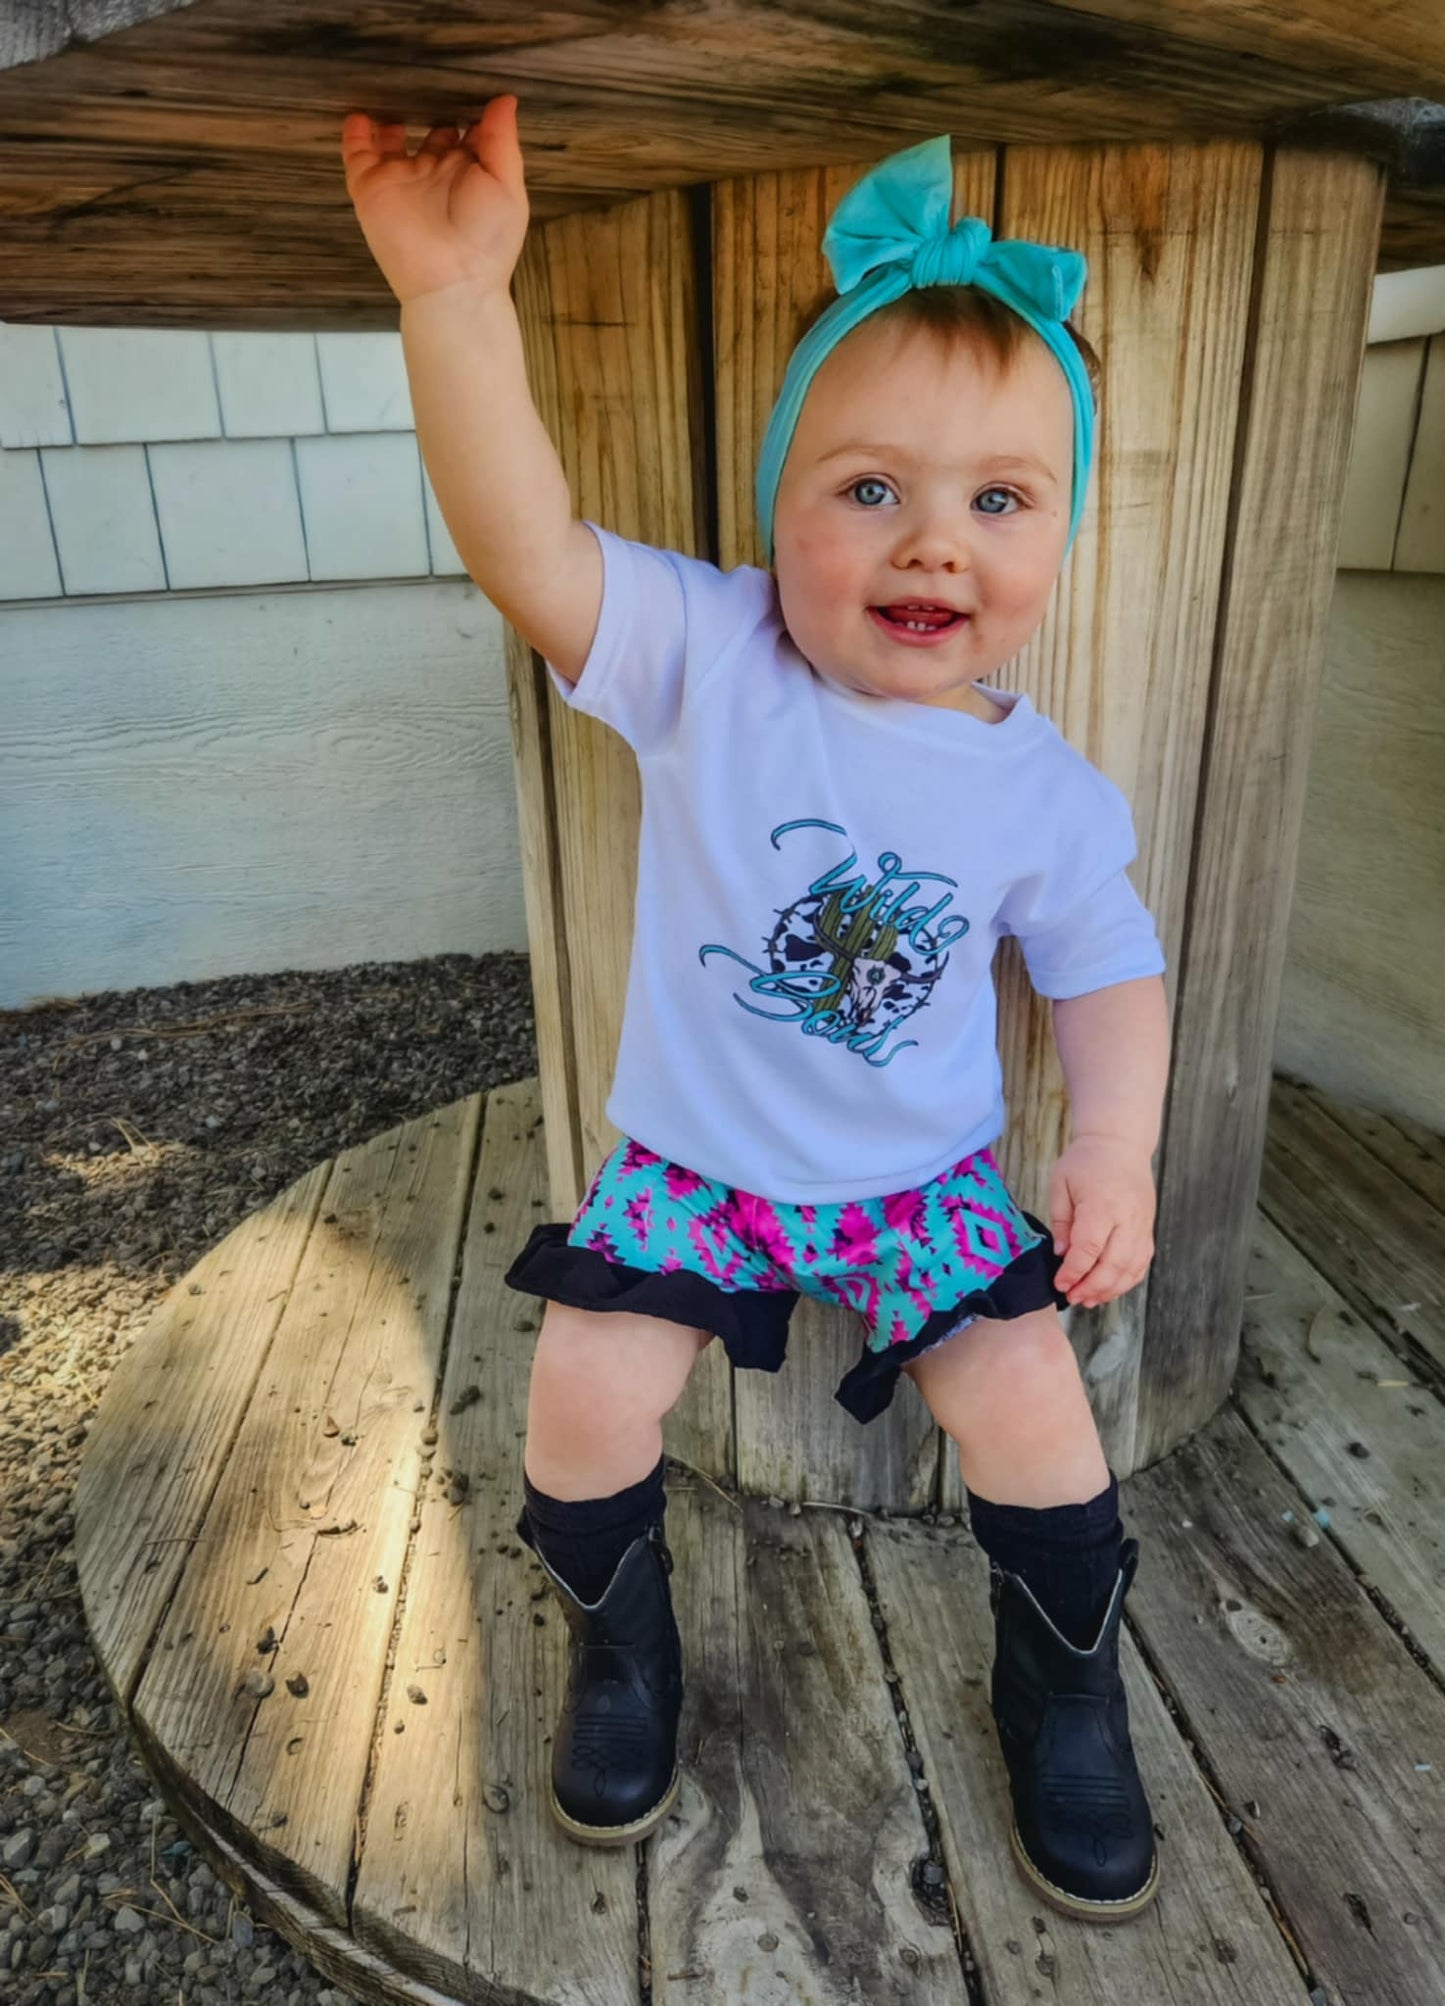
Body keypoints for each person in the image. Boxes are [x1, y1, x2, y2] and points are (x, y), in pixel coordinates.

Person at [342, 99, 1171, 1921]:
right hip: (696, 1164)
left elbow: (1105, 964)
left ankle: (1066, 1684)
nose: (929, 545)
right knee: (579, 1388)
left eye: (997, 500)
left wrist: (1109, 1138)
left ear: (1058, 532)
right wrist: (453, 295)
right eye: (867, 487)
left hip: (921, 1178)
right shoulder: (715, 657)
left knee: (1031, 1400)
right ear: (780, 505)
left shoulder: (1037, 790)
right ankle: (624, 1655)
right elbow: (530, 545)